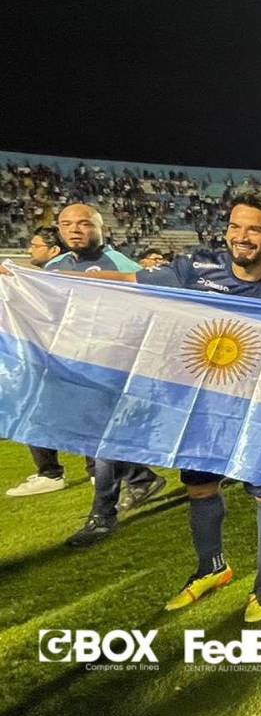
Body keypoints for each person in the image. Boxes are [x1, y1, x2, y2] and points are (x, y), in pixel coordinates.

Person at [57, 193, 261, 622]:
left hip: (258, 408)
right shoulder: (197, 267)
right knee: (200, 488)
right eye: (235, 226)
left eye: (254, 229)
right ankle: (211, 567)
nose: (241, 236)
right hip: (201, 405)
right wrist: (30, 277)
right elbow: (130, 281)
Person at [32, 206, 165, 516]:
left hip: (112, 365)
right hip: (72, 363)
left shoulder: (121, 264)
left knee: (101, 435)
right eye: (66, 224)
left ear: (101, 228)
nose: (74, 230)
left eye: (83, 224)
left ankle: (104, 512)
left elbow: (149, 313)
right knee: (90, 433)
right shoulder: (54, 266)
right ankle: (139, 479)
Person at [5, 227, 99, 497]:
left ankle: (58, 473)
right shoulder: (50, 274)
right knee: (53, 409)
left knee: (50, 410)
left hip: (63, 355)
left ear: (54, 250)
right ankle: (81, 471)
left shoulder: (57, 273)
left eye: (35, 246)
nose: (30, 251)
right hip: (56, 354)